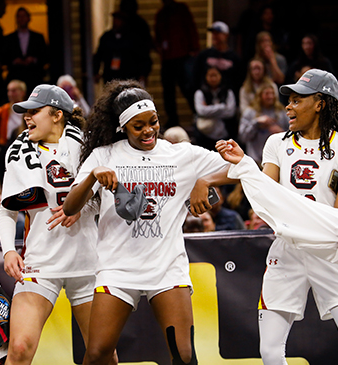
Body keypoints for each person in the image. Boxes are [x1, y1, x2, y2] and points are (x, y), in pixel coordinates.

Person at [62, 79, 229, 364]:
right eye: (138, 126)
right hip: (118, 268)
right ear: (122, 127)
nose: (149, 130)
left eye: (153, 121)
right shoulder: (105, 155)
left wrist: (206, 180)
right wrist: (92, 176)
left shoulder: (181, 154)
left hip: (166, 267)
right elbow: (69, 206)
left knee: (184, 355)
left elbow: (245, 168)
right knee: (98, 352)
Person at [197, 68, 338, 365]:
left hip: (328, 252)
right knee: (269, 351)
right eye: (288, 101)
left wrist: (325, 224)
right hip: (287, 250)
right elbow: (265, 189)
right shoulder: (276, 143)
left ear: (320, 103)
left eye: (297, 100)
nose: (288, 107)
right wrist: (239, 166)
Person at [0, 84, 115, 365]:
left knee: (104, 356)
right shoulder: (18, 152)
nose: (27, 118)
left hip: (86, 263)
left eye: (34, 111)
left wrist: (81, 205)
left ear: (57, 115)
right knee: (20, 349)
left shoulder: (89, 148)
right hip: (40, 263)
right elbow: (6, 212)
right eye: (26, 113)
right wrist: (8, 251)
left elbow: (109, 198)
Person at [154, 0, 200, 128]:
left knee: (187, 88)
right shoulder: (161, 14)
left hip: (183, 55)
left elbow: (190, 27)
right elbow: (158, 34)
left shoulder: (181, 9)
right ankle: (172, 119)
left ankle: (197, 113)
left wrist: (194, 48)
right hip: (167, 58)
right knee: (168, 92)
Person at [93, 11, 148, 86]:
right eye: (114, 20)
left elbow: (142, 57)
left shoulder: (133, 38)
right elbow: (98, 55)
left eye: (118, 20)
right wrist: (96, 72)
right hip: (111, 76)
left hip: (128, 75)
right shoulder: (107, 37)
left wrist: (142, 74)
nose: (115, 22)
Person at [238, 83, 289, 165]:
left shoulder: (281, 111)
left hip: (277, 158)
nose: (270, 97)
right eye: (267, 94)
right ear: (260, 96)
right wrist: (256, 123)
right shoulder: (250, 112)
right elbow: (243, 137)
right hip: (255, 159)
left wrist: (282, 132)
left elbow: (293, 133)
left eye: (272, 94)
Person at [3, 7, 48, 94]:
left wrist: (34, 59)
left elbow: (46, 56)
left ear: (29, 18)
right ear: (16, 19)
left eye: (24, 16)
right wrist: (14, 61)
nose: (22, 19)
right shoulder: (9, 39)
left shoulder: (38, 37)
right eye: (19, 16)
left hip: (34, 77)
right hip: (16, 76)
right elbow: (3, 57)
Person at [0, 79, 27, 181]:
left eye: (14, 90)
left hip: (24, 149)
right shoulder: (2, 111)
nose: (10, 94)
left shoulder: (29, 111)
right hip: (5, 148)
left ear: (22, 92)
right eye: (9, 90)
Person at [195, 21, 243, 98]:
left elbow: (238, 80)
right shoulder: (204, 55)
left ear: (226, 35)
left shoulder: (234, 58)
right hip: (206, 98)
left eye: (218, 33)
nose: (214, 36)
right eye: (213, 33)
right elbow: (196, 77)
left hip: (228, 99)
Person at [194, 66, 236, 151]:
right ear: (206, 77)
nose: (213, 79)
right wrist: (221, 107)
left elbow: (230, 112)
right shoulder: (200, 92)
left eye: (215, 75)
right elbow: (201, 111)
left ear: (220, 76)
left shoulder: (228, 92)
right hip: (205, 133)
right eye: (210, 76)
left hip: (225, 132)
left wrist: (209, 110)